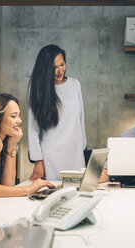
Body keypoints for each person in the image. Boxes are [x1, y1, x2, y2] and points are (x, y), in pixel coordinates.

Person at [28, 44, 87, 181]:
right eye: (53, 68)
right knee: (53, 195)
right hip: (51, 155)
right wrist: (38, 161)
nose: (59, 71)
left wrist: (82, 145)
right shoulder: (37, 88)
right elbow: (33, 128)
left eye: (62, 65)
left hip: (75, 152)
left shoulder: (75, 84)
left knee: (77, 194)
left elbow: (80, 118)